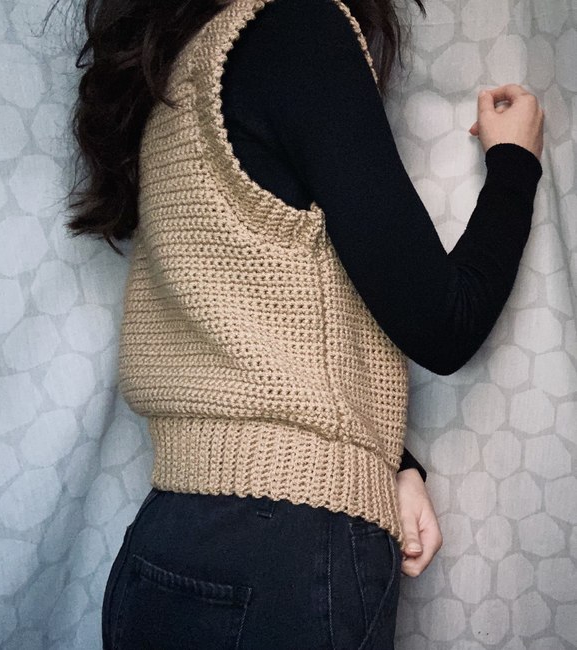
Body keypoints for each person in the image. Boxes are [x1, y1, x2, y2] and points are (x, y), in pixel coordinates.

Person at [62, 0, 544, 647]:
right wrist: (515, 162)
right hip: (285, 556)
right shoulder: (296, 28)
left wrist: (383, 462)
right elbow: (446, 324)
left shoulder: (174, 74)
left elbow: (268, 304)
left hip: (163, 542)